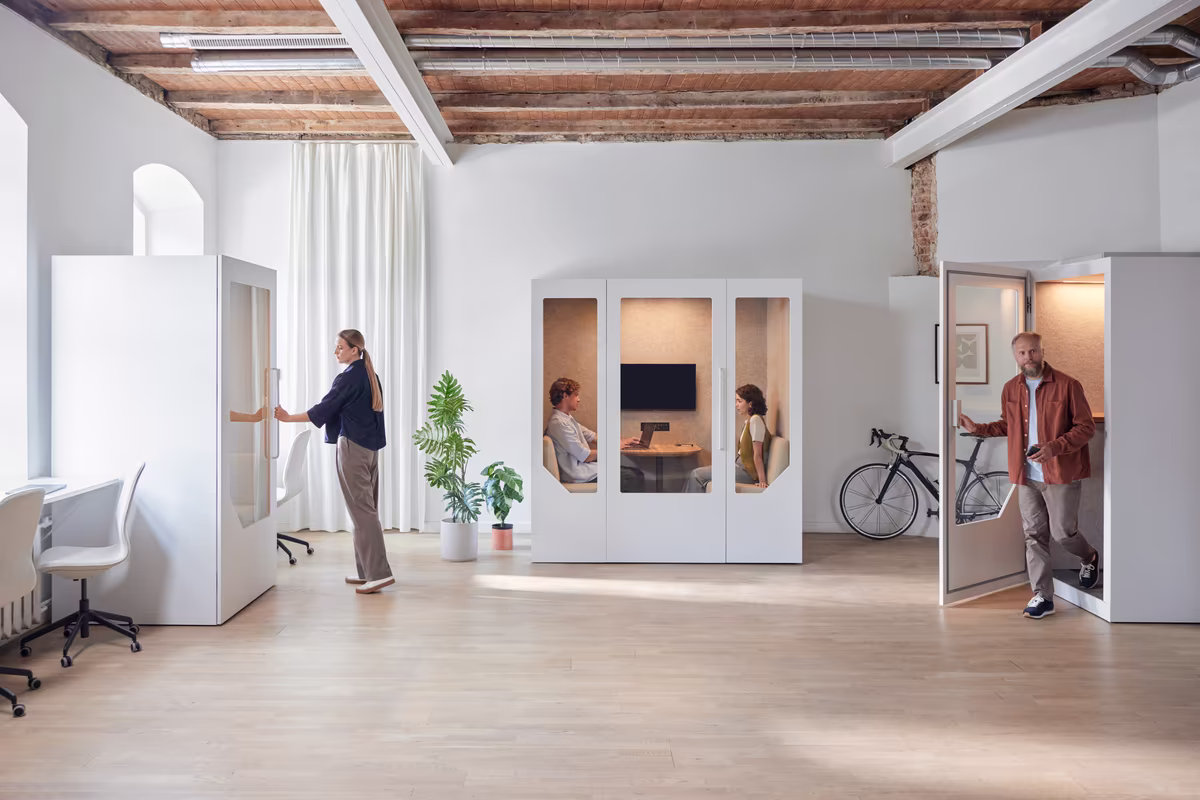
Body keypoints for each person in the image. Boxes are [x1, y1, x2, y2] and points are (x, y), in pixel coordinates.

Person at [959, 332, 1099, 620]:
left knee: (1063, 533)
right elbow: (1007, 425)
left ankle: (1089, 557)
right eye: (1022, 353)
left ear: (1042, 351)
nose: (1028, 358)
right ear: (1015, 356)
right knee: (1033, 536)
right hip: (1026, 475)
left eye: (1033, 351)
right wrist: (978, 429)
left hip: (1060, 473)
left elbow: (1086, 428)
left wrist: (1053, 448)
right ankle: (1042, 596)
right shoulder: (1011, 388)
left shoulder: (1068, 385)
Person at [275, 329, 394, 595]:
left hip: (353, 447)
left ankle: (378, 574)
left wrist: (286, 417)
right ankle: (367, 572)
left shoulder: (348, 378)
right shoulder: (368, 374)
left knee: (362, 512)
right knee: (365, 509)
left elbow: (322, 410)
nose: (335, 352)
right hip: (370, 448)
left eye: (340, 347)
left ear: (354, 349)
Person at [544, 378, 645, 492]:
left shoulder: (566, 419)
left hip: (584, 469)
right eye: (576, 395)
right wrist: (613, 448)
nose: (579, 399)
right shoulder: (559, 423)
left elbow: (592, 436)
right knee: (631, 477)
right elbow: (585, 456)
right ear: (565, 396)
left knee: (636, 473)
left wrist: (622, 441)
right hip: (578, 475)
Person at [686, 384, 771, 493]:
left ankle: (692, 508)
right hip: (739, 467)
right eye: (736, 401)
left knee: (696, 474)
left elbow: (757, 454)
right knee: (701, 477)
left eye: (739, 401)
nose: (736, 405)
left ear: (750, 403)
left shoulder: (755, 420)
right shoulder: (750, 421)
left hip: (747, 472)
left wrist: (762, 480)